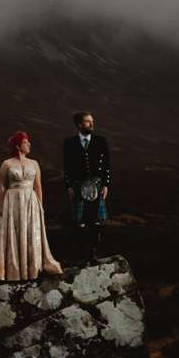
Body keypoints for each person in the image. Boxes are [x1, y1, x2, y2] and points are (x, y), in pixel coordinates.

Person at [0, 130, 64, 281]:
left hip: (31, 200)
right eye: (26, 142)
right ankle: (15, 270)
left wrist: (40, 205)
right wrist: (1, 207)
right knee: (16, 232)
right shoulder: (6, 164)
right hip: (12, 200)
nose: (29, 144)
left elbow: (38, 186)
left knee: (32, 232)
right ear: (18, 146)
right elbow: (1, 186)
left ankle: (34, 268)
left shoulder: (34, 163)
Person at [61, 110, 112, 259]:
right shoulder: (69, 143)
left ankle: (94, 252)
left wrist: (106, 184)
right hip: (77, 185)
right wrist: (69, 186)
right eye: (88, 121)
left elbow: (107, 165)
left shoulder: (100, 140)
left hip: (97, 184)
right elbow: (67, 166)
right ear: (79, 124)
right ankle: (82, 254)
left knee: (96, 221)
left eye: (92, 121)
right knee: (80, 221)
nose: (92, 124)